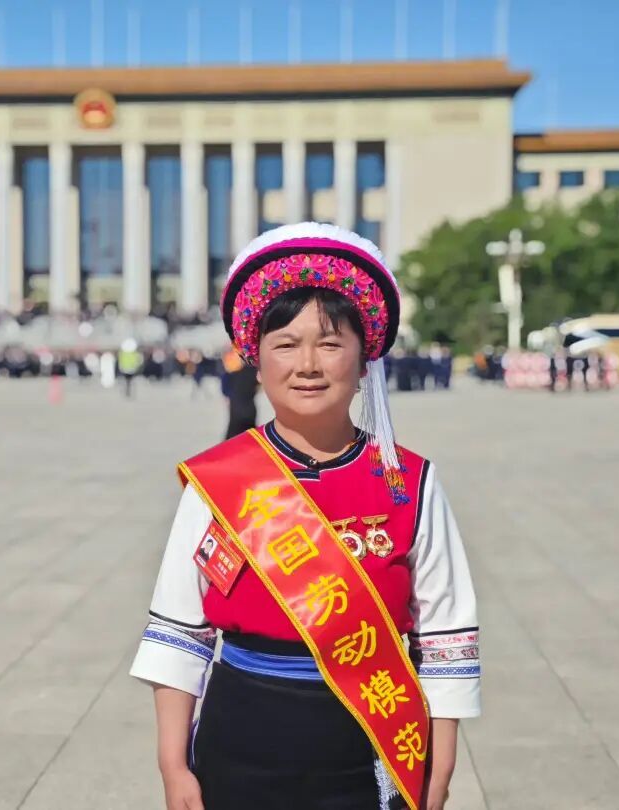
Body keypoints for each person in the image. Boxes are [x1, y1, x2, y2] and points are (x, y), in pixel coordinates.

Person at [130, 223, 480, 810]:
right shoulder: (220, 482)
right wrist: (172, 762)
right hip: (239, 734)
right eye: (286, 344)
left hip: (367, 739)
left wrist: (438, 766)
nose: (308, 364)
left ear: (364, 361)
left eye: (331, 343)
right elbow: (180, 630)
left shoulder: (410, 483)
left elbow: (446, 635)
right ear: (256, 362)